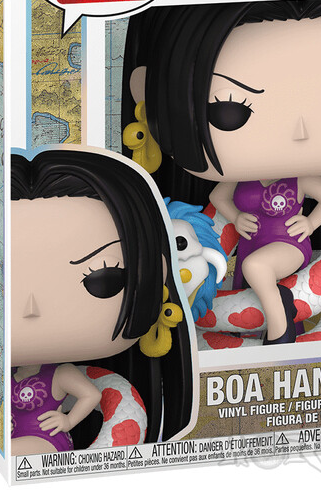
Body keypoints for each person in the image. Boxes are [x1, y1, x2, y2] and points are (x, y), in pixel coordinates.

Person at [122, 0, 321, 344]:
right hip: (251, 243)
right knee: (250, 274)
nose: (300, 132)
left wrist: (309, 224)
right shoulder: (238, 179)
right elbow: (218, 197)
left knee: (256, 268)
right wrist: (235, 217)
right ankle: (273, 326)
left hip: (289, 244)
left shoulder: (300, 175)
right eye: (231, 108)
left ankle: (280, 330)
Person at [10, 148, 194, 453]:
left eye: (102, 277)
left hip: (46, 443)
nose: (31, 308)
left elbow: (92, 396)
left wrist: (68, 420)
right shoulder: (12, 375)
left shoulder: (60, 373)